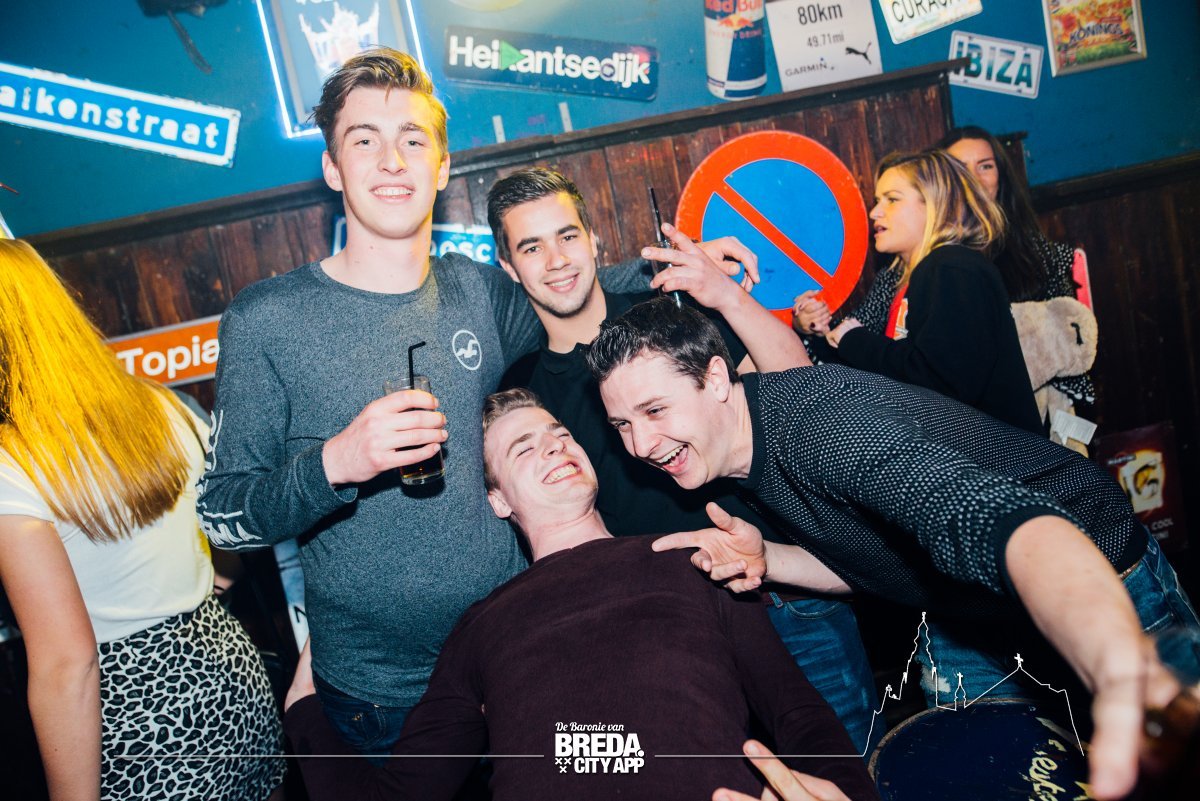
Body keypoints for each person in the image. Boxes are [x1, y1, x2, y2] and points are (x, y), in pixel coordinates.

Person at [197, 47, 754, 754]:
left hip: (524, 655)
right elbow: (223, 517)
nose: (392, 161)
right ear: (332, 167)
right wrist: (337, 462)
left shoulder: (474, 290)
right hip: (383, 699)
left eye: (412, 140)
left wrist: (677, 268)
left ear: (441, 167)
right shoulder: (265, 319)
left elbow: (564, 286)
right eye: (364, 141)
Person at [587, 297, 1200, 801]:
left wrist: (1117, 661)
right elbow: (873, 560)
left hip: (1095, 580)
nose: (640, 444)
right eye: (623, 425)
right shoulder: (744, 445)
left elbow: (1003, 523)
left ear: (717, 379)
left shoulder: (826, 430)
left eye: (655, 410)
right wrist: (770, 560)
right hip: (969, 614)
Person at [282, 388, 879, 801]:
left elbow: (798, 715)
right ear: (498, 500)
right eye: (523, 449)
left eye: (560, 433)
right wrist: (303, 711)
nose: (554, 446)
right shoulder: (482, 625)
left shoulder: (690, 559)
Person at [488, 166, 878, 751]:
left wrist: (726, 294)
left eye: (567, 236)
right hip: (672, 634)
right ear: (508, 266)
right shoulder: (524, 389)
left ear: (593, 239)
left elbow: (797, 387)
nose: (557, 259)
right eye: (532, 246)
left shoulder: (670, 312)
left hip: (783, 601)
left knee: (846, 776)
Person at [0, 239, 284, 801]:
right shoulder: (160, 404)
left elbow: (67, 666)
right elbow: (233, 540)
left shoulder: (11, 465)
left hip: (136, 719)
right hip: (230, 675)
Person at [792, 150, 1042, 434]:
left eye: (892, 199)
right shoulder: (912, 277)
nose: (875, 212)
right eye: (877, 201)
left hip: (1000, 457)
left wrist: (854, 339)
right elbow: (897, 367)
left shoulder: (953, 268)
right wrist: (819, 333)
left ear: (936, 204)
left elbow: (942, 382)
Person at [936, 126, 1096, 434]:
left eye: (985, 166)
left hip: (1042, 418)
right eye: (960, 168)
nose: (974, 178)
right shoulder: (923, 256)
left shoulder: (1037, 252)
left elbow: (1071, 340)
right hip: (962, 427)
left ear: (1001, 178)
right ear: (940, 180)